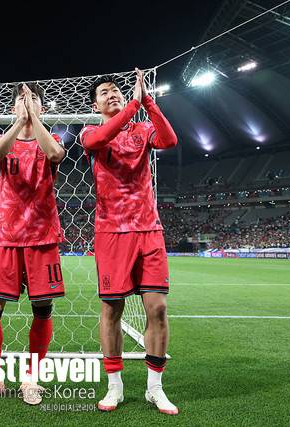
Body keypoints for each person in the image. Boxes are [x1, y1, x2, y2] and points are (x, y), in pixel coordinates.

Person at [80, 70, 178, 414]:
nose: (113, 94)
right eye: (104, 92)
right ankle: (115, 387)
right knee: (112, 309)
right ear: (95, 105)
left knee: (158, 308)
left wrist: (146, 101)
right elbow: (98, 140)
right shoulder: (90, 132)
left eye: (116, 90)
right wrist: (133, 105)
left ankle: (155, 388)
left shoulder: (142, 129)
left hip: (149, 230)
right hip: (111, 233)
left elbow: (169, 140)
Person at [0, 83, 65, 405]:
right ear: (13, 107)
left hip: (43, 237)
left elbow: (55, 155)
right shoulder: (1, 140)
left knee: (42, 309)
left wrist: (33, 120)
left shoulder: (50, 139)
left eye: (33, 100)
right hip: (6, 236)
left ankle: (31, 378)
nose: (27, 104)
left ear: (42, 107)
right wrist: (19, 122)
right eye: (21, 100)